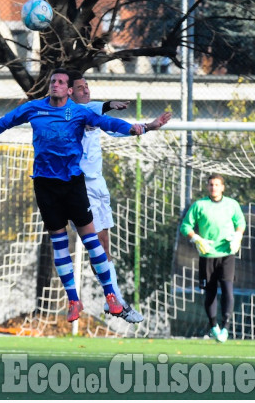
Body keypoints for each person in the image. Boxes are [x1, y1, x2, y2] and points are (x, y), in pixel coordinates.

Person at [0, 67, 171, 323]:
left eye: (62, 82)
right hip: (44, 185)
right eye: (53, 81)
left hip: (73, 184)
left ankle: (111, 298)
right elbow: (3, 123)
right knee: (59, 244)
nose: (56, 85)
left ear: (68, 90)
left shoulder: (79, 112)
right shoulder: (34, 108)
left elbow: (109, 123)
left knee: (93, 241)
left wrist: (140, 128)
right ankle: (74, 300)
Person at [68, 70, 170, 324]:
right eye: (80, 87)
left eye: (87, 85)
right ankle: (116, 300)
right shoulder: (66, 113)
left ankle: (112, 298)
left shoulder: (90, 110)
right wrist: (106, 105)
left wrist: (147, 127)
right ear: (69, 92)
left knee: (104, 245)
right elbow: (94, 113)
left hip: (97, 184)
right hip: (78, 187)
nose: (86, 89)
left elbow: (113, 128)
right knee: (96, 245)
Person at [180, 173, 246, 343]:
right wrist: (196, 238)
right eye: (211, 184)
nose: (214, 187)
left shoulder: (232, 204)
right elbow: (186, 225)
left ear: (222, 187)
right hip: (207, 255)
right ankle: (214, 326)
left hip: (227, 254)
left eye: (217, 184)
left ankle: (226, 327)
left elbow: (241, 222)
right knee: (210, 293)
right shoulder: (199, 205)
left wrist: (238, 236)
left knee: (228, 291)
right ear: (207, 187)